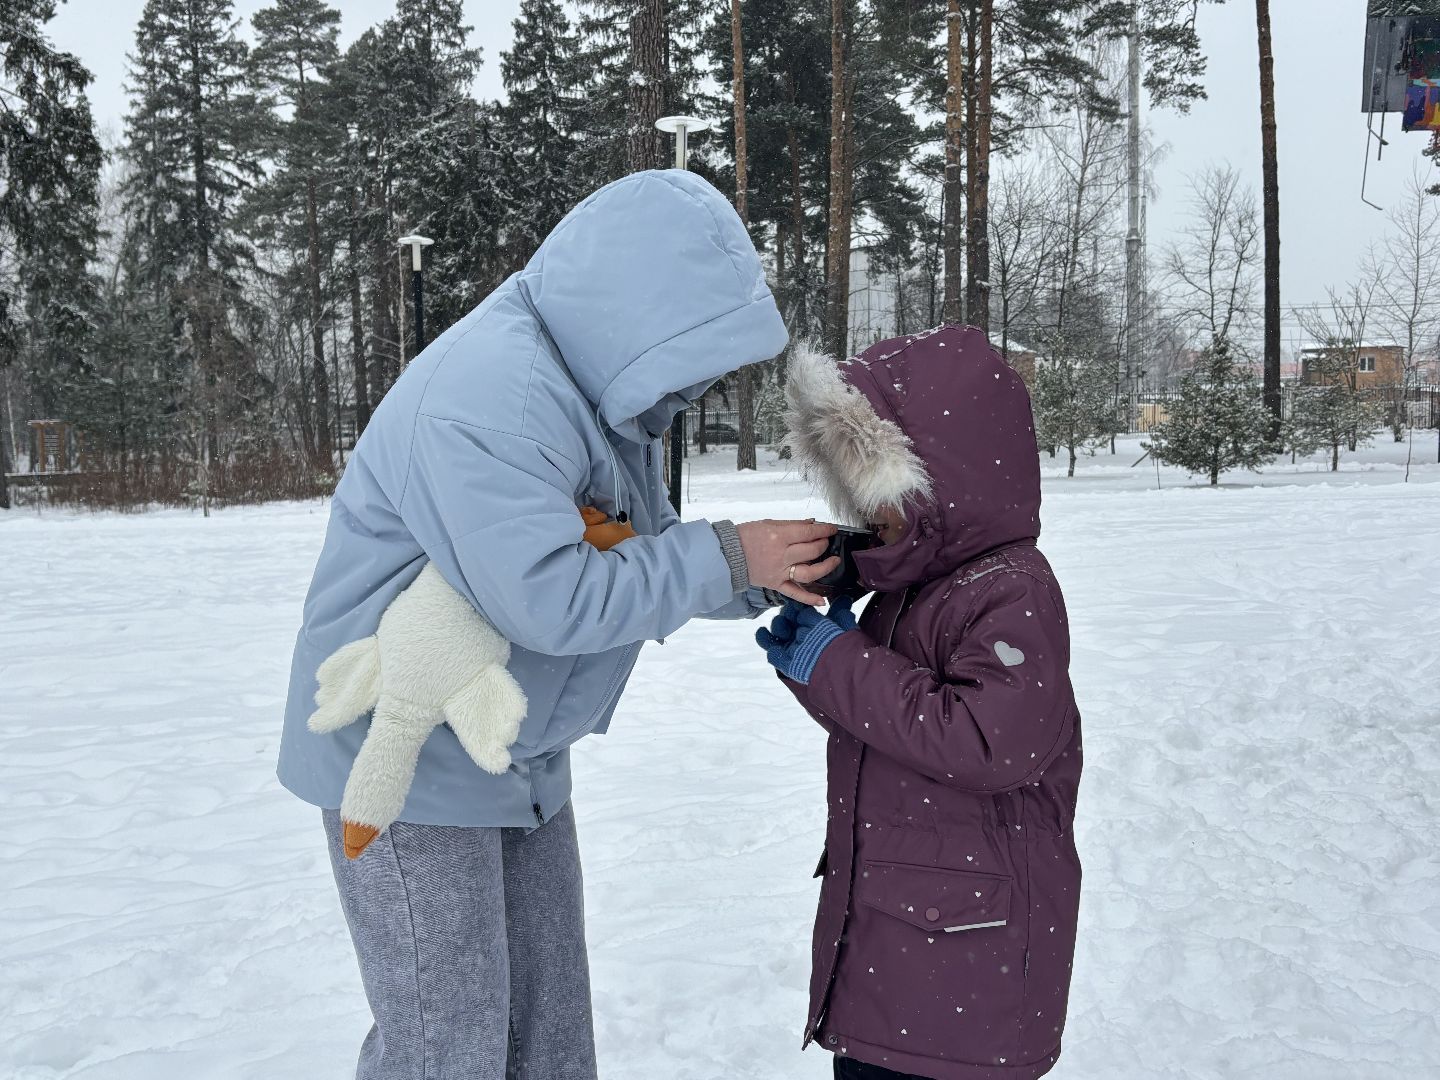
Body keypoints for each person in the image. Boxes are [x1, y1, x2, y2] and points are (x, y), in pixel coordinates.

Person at [276, 169, 838, 1079]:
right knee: (447, 1046)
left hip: (511, 751)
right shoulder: (489, 396)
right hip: (408, 762)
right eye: (698, 352)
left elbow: (638, 548)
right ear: (642, 315)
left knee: (545, 1035)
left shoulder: (593, 390)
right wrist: (734, 557)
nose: (701, 384)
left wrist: (771, 574)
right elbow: (550, 595)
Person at [756, 328, 1084, 1080]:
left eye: (880, 495)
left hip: (965, 962)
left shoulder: (1011, 591)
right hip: (896, 946)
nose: (872, 517)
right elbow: (889, 728)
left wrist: (837, 660)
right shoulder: (911, 591)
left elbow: (986, 743)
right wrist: (817, 664)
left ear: (941, 481)